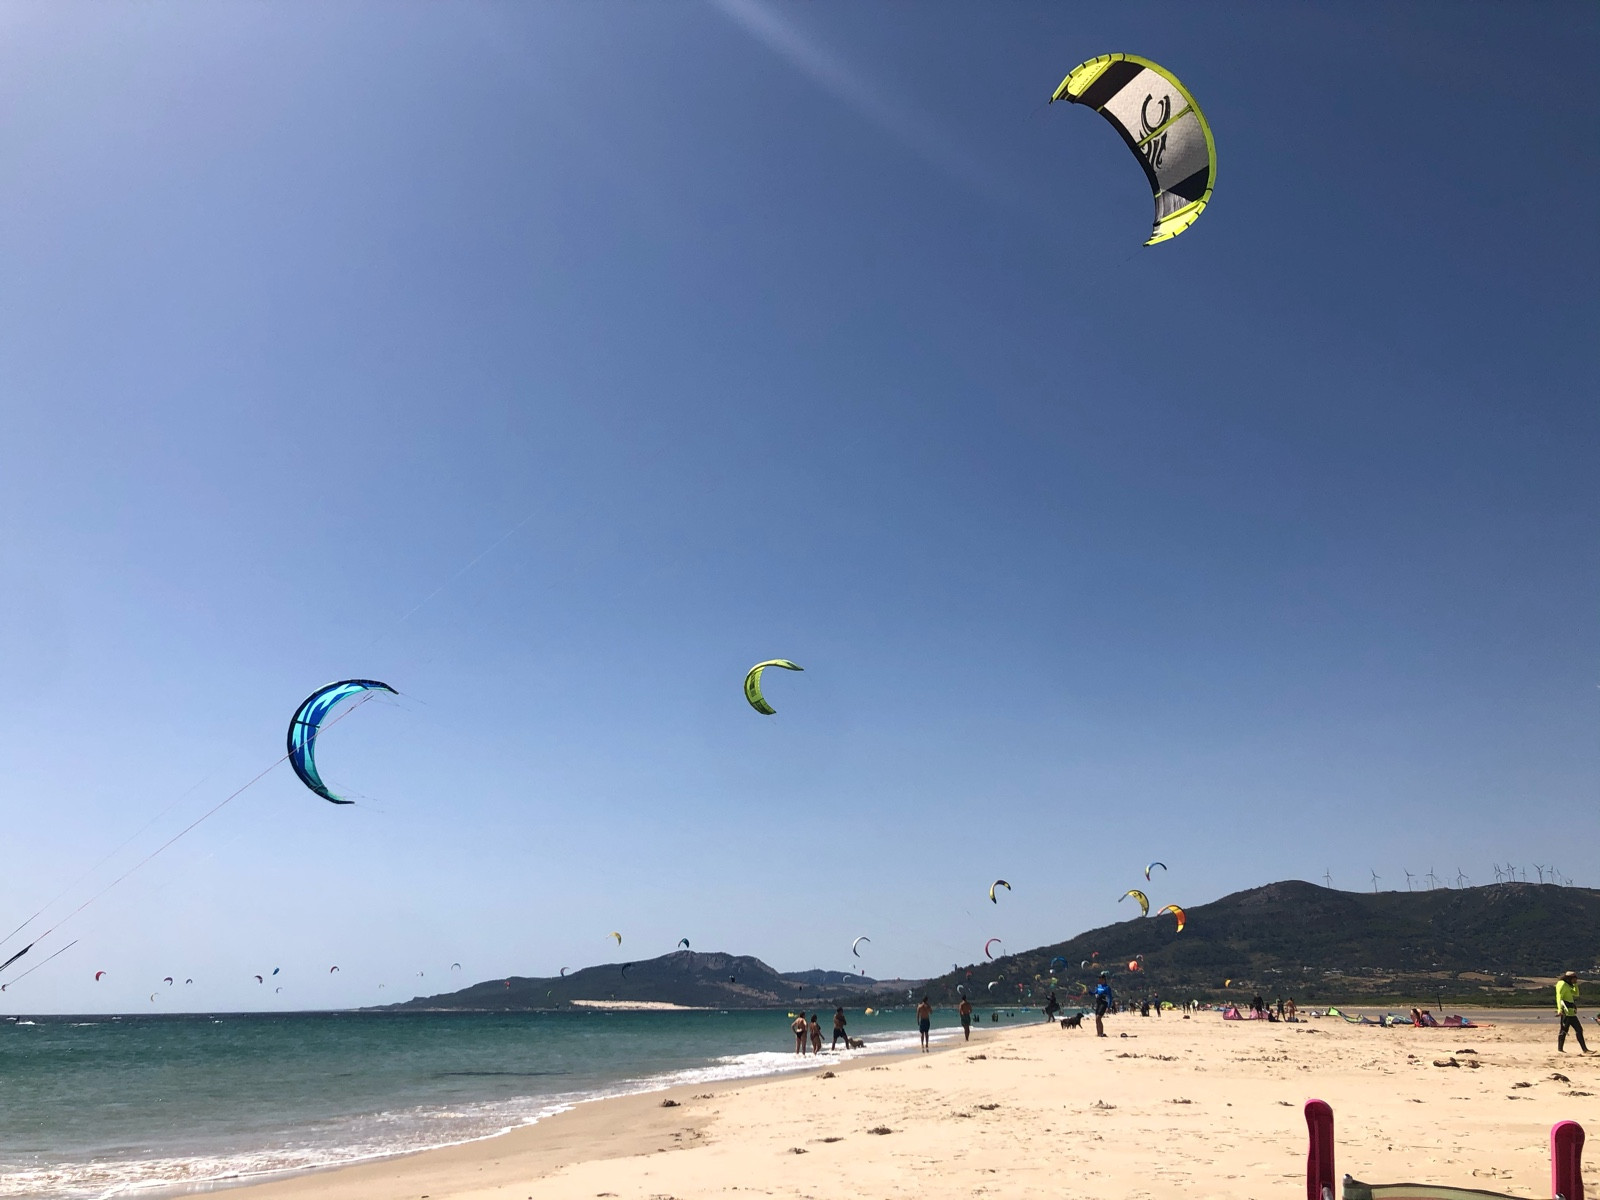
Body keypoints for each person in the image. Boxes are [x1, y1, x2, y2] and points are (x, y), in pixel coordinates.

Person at [1557, 971, 1589, 1053]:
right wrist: (1560, 1009)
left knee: (1579, 1030)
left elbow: (1576, 994)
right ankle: (1560, 1049)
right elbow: (1559, 997)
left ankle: (1585, 1049)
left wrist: (1575, 984)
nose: (1575, 980)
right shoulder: (1562, 984)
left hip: (1571, 1012)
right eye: (1574, 979)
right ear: (1569, 978)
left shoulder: (1568, 985)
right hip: (1566, 1011)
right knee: (1564, 1030)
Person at [1092, 972, 1114, 1038]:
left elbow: (1110, 997)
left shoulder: (1107, 987)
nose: (1098, 980)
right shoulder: (1098, 987)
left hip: (1103, 1004)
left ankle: (1101, 1033)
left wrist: (1108, 1007)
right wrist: (1088, 992)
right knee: (1096, 1019)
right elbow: (1094, 993)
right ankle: (1098, 1033)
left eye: (1100, 978)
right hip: (1098, 1004)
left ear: (1103, 979)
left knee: (1098, 1018)